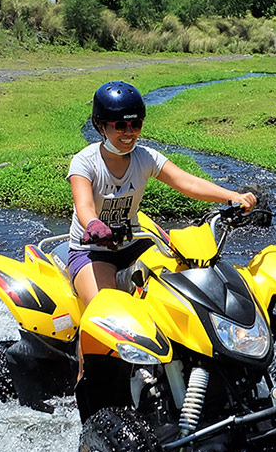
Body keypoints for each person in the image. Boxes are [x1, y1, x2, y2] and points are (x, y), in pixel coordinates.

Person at [67, 81, 257, 315]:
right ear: (100, 126)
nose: (129, 133)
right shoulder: (85, 162)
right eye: (120, 126)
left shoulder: (146, 157)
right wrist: (94, 225)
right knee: (107, 315)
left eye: (136, 125)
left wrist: (232, 196)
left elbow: (187, 182)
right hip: (92, 249)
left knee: (184, 293)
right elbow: (84, 206)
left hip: (135, 243)